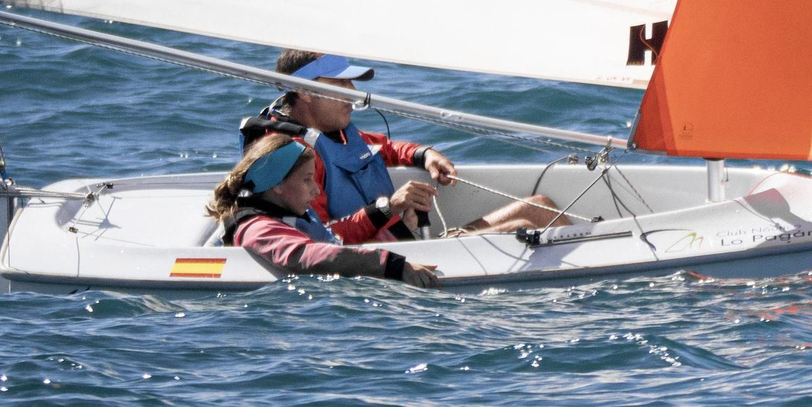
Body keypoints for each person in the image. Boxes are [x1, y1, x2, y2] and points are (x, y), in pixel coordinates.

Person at [241, 49, 569, 240]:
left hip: (404, 242)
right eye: (341, 83)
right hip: (379, 263)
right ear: (306, 91)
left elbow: (382, 149)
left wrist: (424, 154)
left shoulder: (335, 133)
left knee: (538, 205)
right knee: (524, 226)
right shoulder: (289, 156)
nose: (353, 92)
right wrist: (390, 207)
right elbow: (320, 237)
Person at [208, 134, 439, 288]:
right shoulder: (257, 228)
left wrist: (402, 229)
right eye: (308, 180)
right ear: (276, 184)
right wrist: (392, 265)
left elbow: (333, 243)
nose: (316, 190)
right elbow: (308, 256)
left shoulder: (292, 212)